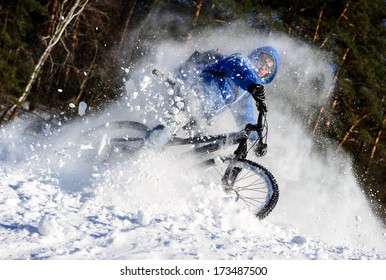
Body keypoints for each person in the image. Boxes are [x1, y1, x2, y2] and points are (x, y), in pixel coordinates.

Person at [147, 46, 280, 156]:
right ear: (255, 56)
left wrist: (256, 142)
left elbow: (245, 117)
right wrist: (252, 85)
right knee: (173, 124)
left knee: (202, 150)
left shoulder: (244, 94)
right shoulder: (238, 61)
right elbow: (241, 72)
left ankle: (185, 176)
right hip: (188, 97)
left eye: (269, 68)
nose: (264, 68)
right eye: (263, 61)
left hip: (200, 116)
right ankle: (143, 156)